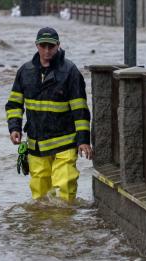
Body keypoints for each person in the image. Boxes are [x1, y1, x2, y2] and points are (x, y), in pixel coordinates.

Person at [6, 27, 93, 202]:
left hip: (65, 142)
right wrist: (14, 127)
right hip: (37, 143)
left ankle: (64, 225)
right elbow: (14, 103)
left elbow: (80, 109)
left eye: (51, 46)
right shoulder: (25, 71)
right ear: (36, 45)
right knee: (40, 194)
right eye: (43, 46)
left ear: (58, 46)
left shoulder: (70, 71)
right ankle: (42, 224)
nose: (47, 50)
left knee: (64, 187)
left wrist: (83, 140)